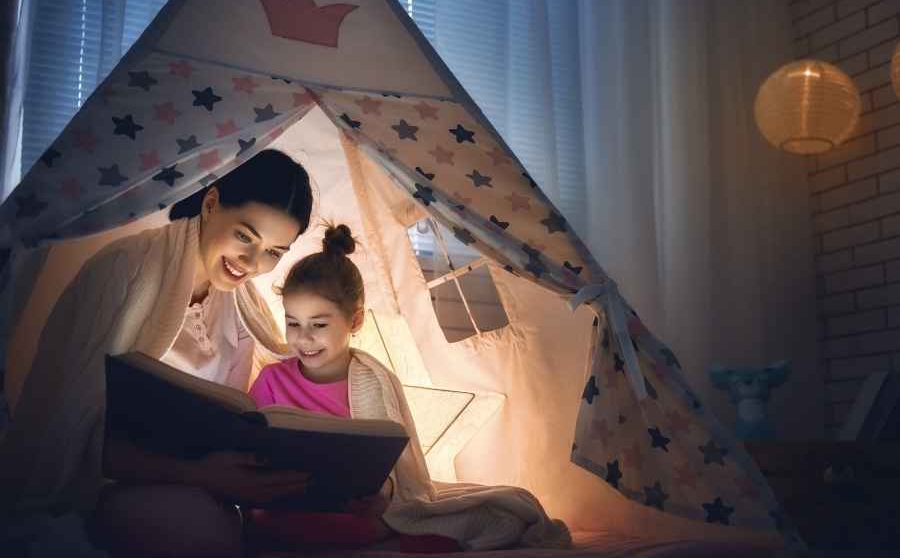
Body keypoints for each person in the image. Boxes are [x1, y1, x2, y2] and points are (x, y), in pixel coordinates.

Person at [0, 149, 314, 557]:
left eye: (273, 252)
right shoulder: (125, 273)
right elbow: (74, 439)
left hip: (196, 483)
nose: (252, 263)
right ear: (211, 203)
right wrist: (201, 474)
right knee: (204, 535)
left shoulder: (241, 310)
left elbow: (231, 424)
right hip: (105, 482)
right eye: (244, 236)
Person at [244, 224, 571, 553]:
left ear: (354, 322)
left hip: (353, 510)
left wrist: (382, 496)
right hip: (286, 506)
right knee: (272, 525)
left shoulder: (371, 379)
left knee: (504, 513)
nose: (304, 337)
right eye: (293, 323)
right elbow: (250, 448)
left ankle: (389, 533)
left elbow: (394, 466)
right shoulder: (271, 380)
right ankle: (393, 538)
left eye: (319, 324)